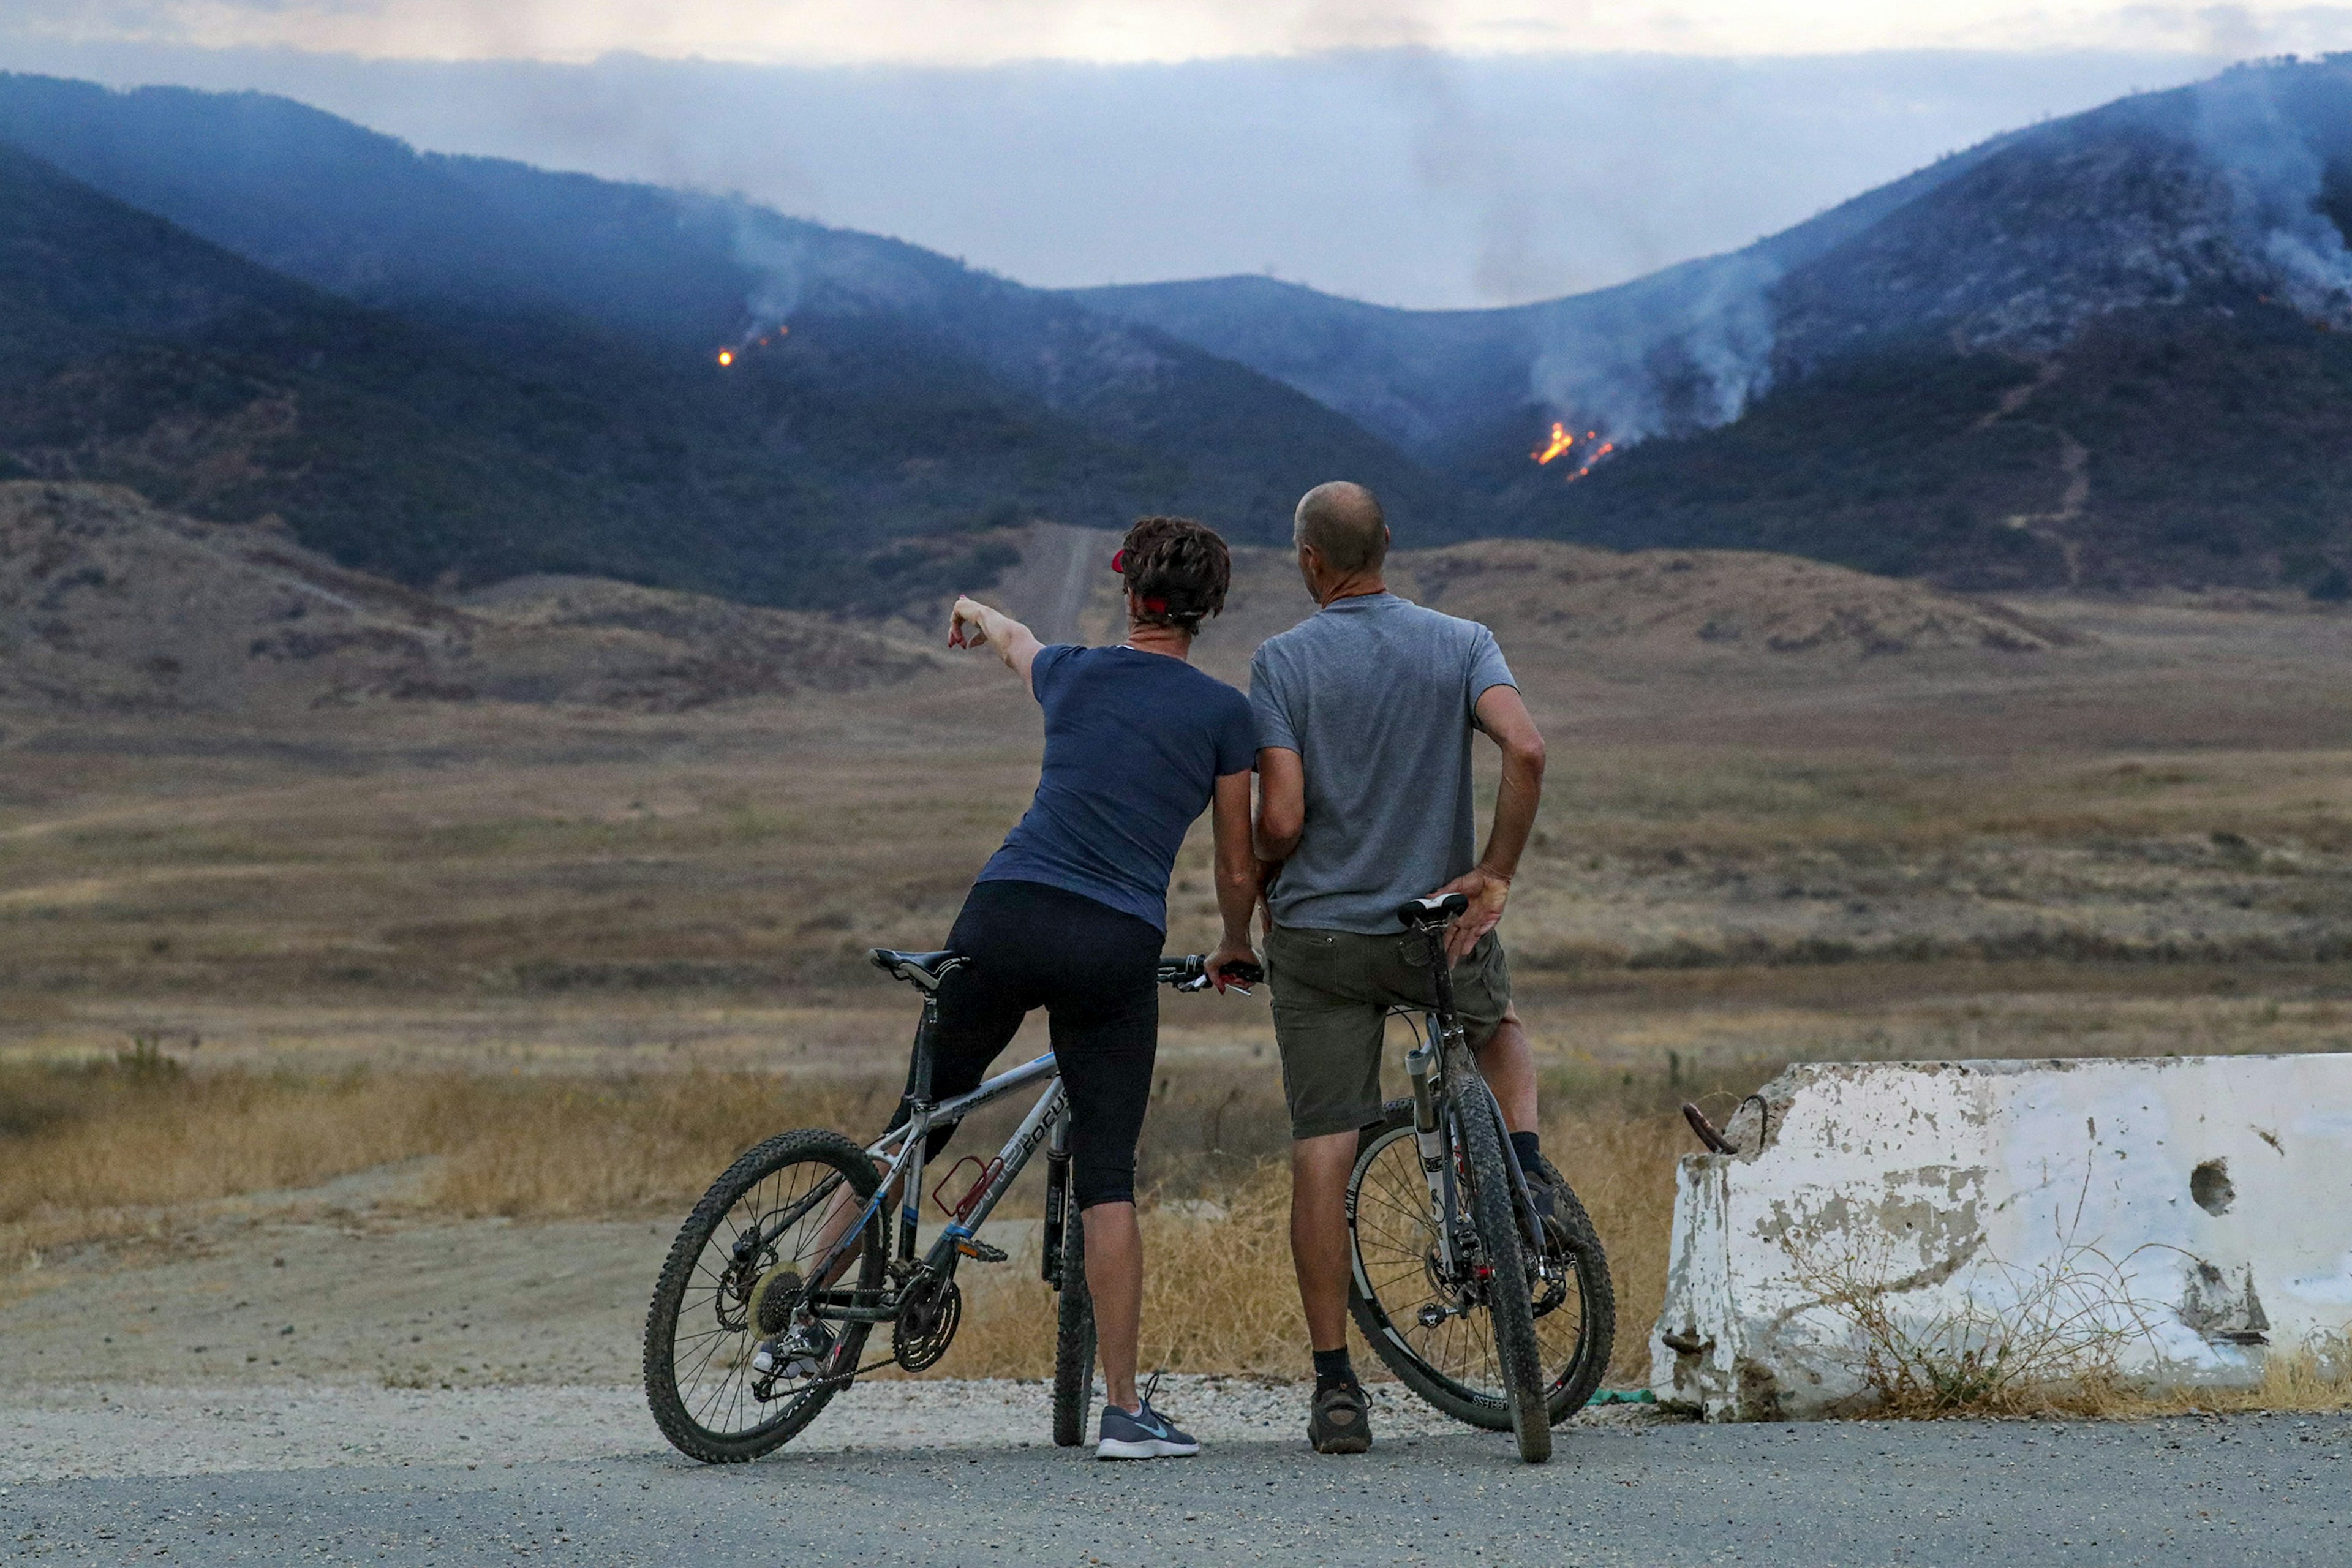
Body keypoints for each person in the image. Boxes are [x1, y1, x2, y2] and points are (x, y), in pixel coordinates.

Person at [763, 515, 1261, 1461]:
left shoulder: (1072, 671)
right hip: (1114, 942)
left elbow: (1014, 640)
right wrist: (1235, 942)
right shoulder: (1224, 714)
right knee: (1107, 1178)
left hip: (1003, 912)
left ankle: (802, 1318)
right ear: (1211, 609)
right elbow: (1238, 863)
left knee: (920, 1121)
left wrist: (973, 609)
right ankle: (1124, 1413)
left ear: (1129, 596)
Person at [1250, 480, 1557, 1456]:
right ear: (1387, 545)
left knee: (1325, 1141)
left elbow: (1286, 820)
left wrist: (1250, 886)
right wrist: (1495, 876)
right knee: (1498, 1029)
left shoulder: (1280, 663)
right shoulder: (1464, 642)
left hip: (1321, 943)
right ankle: (1527, 1178)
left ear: (1311, 561)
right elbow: (1528, 748)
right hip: (1435, 933)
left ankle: (1337, 1385)